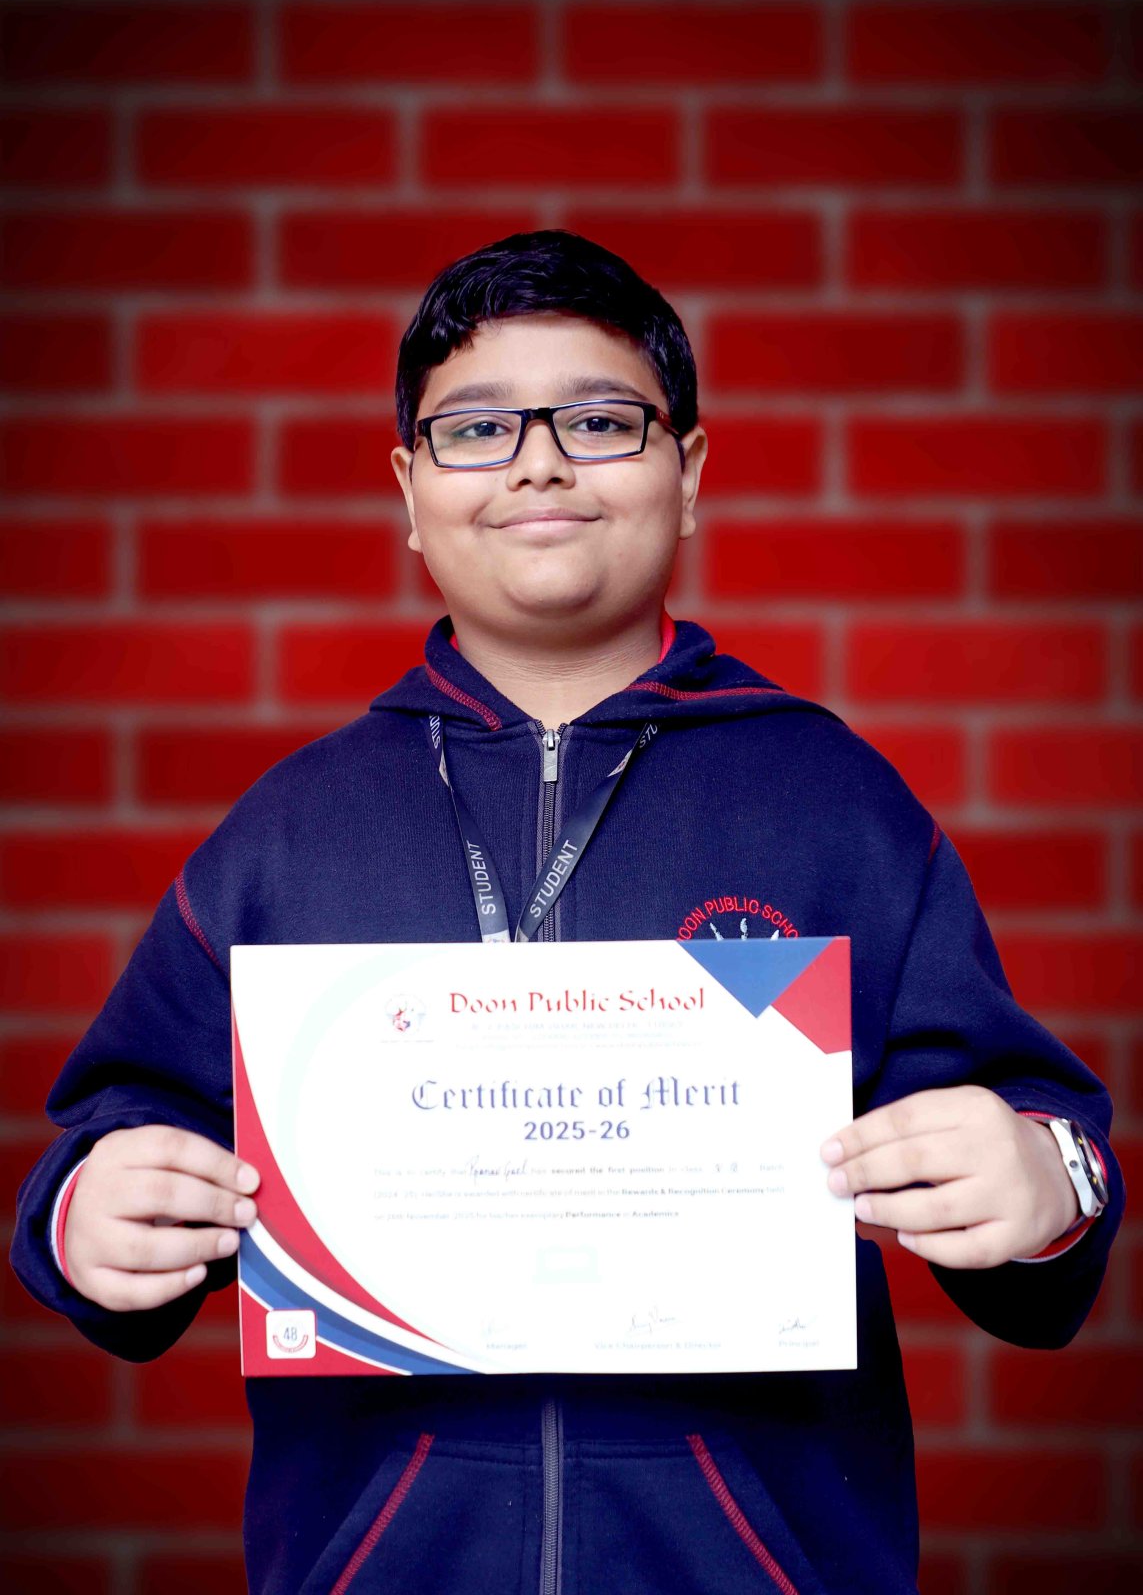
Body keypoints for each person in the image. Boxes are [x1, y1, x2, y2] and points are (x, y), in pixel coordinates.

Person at [11, 230, 1123, 1595]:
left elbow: (1041, 1167)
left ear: (688, 473)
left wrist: (1046, 1184)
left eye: (599, 421)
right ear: (409, 492)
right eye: (477, 429)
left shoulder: (837, 805)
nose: (539, 463)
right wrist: (84, 1212)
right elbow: (118, 1126)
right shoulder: (289, 834)